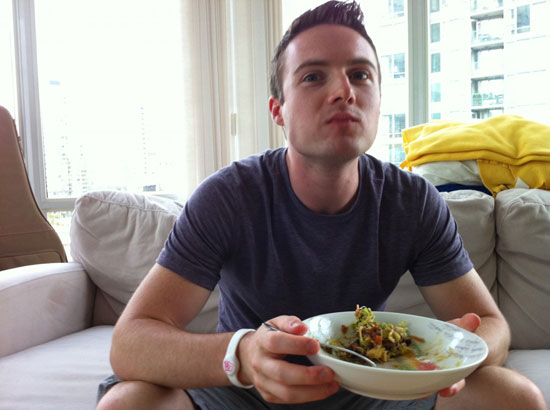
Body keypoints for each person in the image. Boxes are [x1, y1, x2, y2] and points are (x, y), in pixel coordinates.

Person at [96, 1, 546, 409]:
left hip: (373, 391)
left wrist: (458, 354)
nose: (343, 92)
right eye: (313, 76)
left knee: (515, 398)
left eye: (360, 74)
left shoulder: (413, 203)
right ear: (278, 110)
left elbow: (491, 323)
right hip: (241, 395)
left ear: (377, 99)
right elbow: (131, 343)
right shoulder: (229, 196)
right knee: (128, 404)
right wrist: (244, 356)